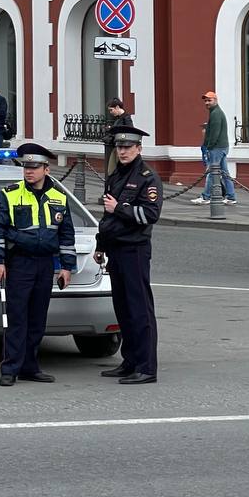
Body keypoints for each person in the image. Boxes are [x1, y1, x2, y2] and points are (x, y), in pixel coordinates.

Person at [0, 142, 76, 387]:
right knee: (17, 318)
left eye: (34, 167)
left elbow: (66, 235)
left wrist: (67, 267)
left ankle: (30, 367)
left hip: (45, 264)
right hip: (20, 263)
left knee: (37, 319)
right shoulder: (10, 194)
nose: (29, 171)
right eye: (26, 167)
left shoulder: (59, 196)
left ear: (47, 169)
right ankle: (10, 368)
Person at [95, 125, 162, 384]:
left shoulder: (147, 178)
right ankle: (130, 361)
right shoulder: (115, 175)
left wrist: (120, 207)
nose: (122, 151)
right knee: (122, 309)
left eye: (127, 147)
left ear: (138, 149)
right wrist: (101, 245)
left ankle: (146, 367)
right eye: (119, 147)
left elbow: (149, 215)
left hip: (134, 248)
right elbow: (106, 216)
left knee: (140, 309)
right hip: (116, 248)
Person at [192, 90, 237, 205]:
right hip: (221, 147)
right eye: (206, 100)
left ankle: (206, 196)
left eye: (209, 100)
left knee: (212, 173)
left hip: (216, 148)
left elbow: (215, 133)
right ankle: (231, 197)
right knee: (225, 172)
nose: (207, 102)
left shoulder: (216, 113)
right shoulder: (215, 112)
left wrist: (209, 147)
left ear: (215, 101)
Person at [104, 98, 133, 177]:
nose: (110, 112)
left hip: (121, 148)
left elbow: (129, 132)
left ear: (117, 107)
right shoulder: (118, 119)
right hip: (116, 147)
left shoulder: (126, 118)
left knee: (114, 170)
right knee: (112, 170)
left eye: (111, 110)